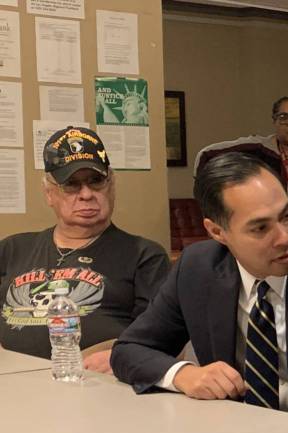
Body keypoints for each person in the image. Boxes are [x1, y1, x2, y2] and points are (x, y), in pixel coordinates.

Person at [111, 152, 288, 430]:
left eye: (286, 216)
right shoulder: (198, 269)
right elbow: (129, 350)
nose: (284, 239)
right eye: (260, 228)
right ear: (217, 232)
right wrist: (184, 374)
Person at [0, 126, 169, 372]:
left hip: (98, 386)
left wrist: (118, 355)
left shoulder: (144, 255)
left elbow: (160, 337)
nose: (87, 194)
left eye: (96, 181)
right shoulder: (12, 248)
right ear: (49, 194)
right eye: (71, 185)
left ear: (112, 185)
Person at [195, 96, 288, 207]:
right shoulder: (256, 148)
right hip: (268, 229)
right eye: (283, 117)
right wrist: (211, 205)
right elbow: (206, 155)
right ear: (274, 122)